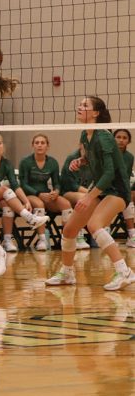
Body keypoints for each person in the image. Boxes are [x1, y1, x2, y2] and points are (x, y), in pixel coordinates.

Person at [46, 96, 134, 291]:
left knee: (94, 224)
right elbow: (90, 158)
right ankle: (67, 272)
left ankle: (124, 271)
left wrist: (89, 196)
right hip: (102, 189)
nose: (79, 106)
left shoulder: (104, 136)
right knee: (69, 229)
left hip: (117, 190)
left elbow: (110, 173)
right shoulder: (85, 135)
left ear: (96, 113)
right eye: (79, 103)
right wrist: (81, 161)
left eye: (85, 105)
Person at [0, 133, 49, 252]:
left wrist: (26, 201)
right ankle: (29, 217)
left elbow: (15, 184)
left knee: (8, 207)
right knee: (5, 189)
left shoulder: (6, 163)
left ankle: (7, 241)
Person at [18, 134, 71, 251]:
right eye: (36, 143)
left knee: (66, 204)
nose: (40, 145)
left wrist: (56, 191)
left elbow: (57, 182)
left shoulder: (52, 162)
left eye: (42, 143)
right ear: (32, 145)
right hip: (30, 194)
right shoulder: (25, 162)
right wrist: (38, 194)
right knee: (39, 204)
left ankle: (67, 239)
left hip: (46, 194)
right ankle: (42, 240)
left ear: (48, 146)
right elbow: (23, 184)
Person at [59, 148, 93, 250]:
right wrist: (90, 193)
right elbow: (71, 184)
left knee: (100, 199)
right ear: (80, 145)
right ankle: (79, 234)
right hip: (68, 192)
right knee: (83, 199)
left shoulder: (95, 158)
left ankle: (101, 231)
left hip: (86, 191)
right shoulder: (72, 158)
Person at [111, 129, 135, 247]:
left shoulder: (130, 157)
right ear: (113, 139)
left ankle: (132, 236)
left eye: (124, 138)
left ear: (129, 141)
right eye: (118, 137)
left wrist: (127, 192)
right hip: (107, 188)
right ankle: (106, 234)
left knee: (128, 200)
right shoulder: (108, 153)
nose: (121, 140)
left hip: (121, 189)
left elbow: (125, 177)